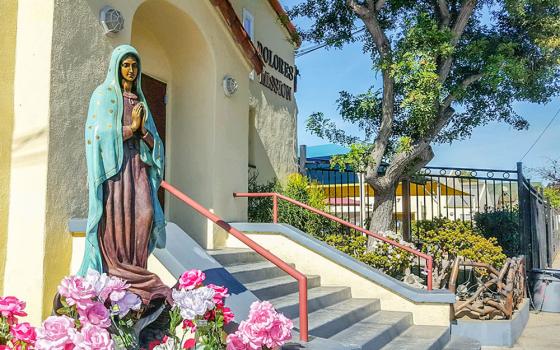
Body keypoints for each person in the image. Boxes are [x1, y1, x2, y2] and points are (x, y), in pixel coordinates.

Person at [78, 45, 170, 304]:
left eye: (134, 65)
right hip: (114, 170)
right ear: (116, 67)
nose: (131, 70)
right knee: (116, 218)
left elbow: (156, 143)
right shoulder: (103, 95)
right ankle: (117, 272)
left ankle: (137, 270)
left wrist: (142, 133)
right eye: (126, 65)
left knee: (145, 214)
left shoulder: (140, 102)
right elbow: (98, 135)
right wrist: (131, 129)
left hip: (137, 167)